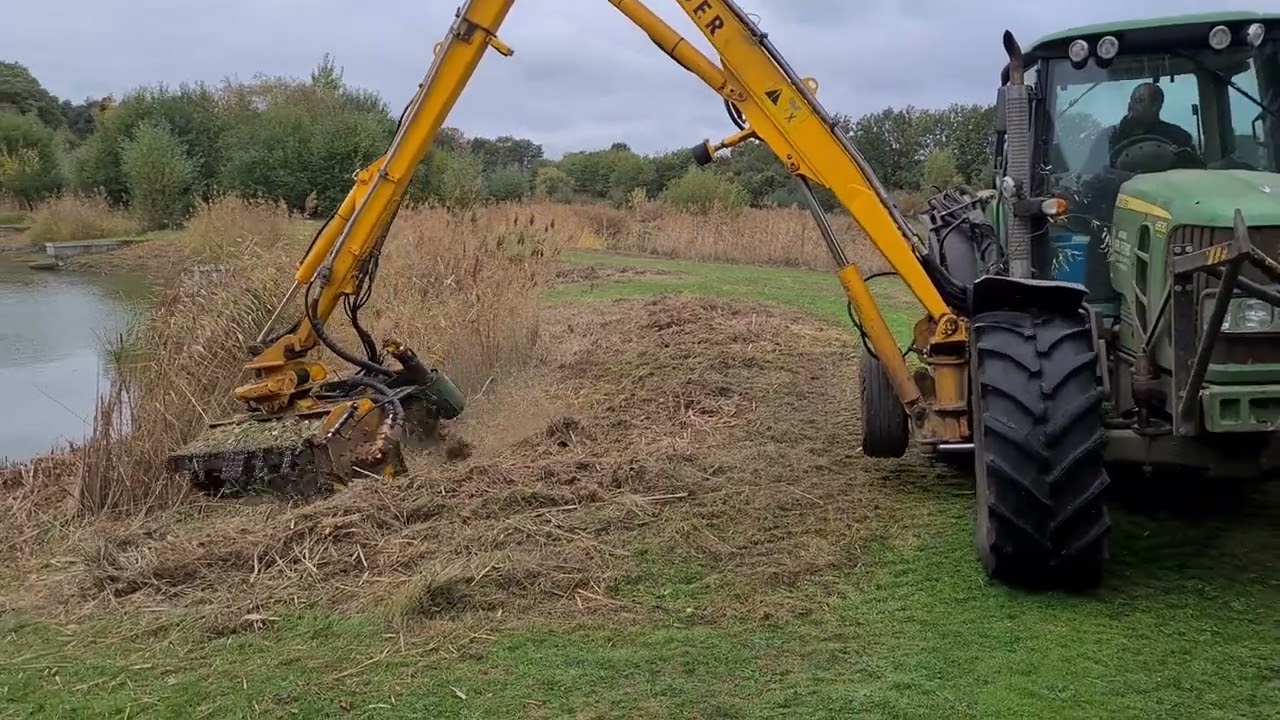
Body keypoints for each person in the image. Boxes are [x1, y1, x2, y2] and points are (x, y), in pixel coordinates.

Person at [1081, 82, 1196, 173]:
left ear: (1155, 106)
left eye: (1139, 101)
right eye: (1132, 100)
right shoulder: (1109, 137)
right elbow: (1091, 175)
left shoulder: (1179, 137)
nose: (1131, 105)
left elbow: (1194, 172)